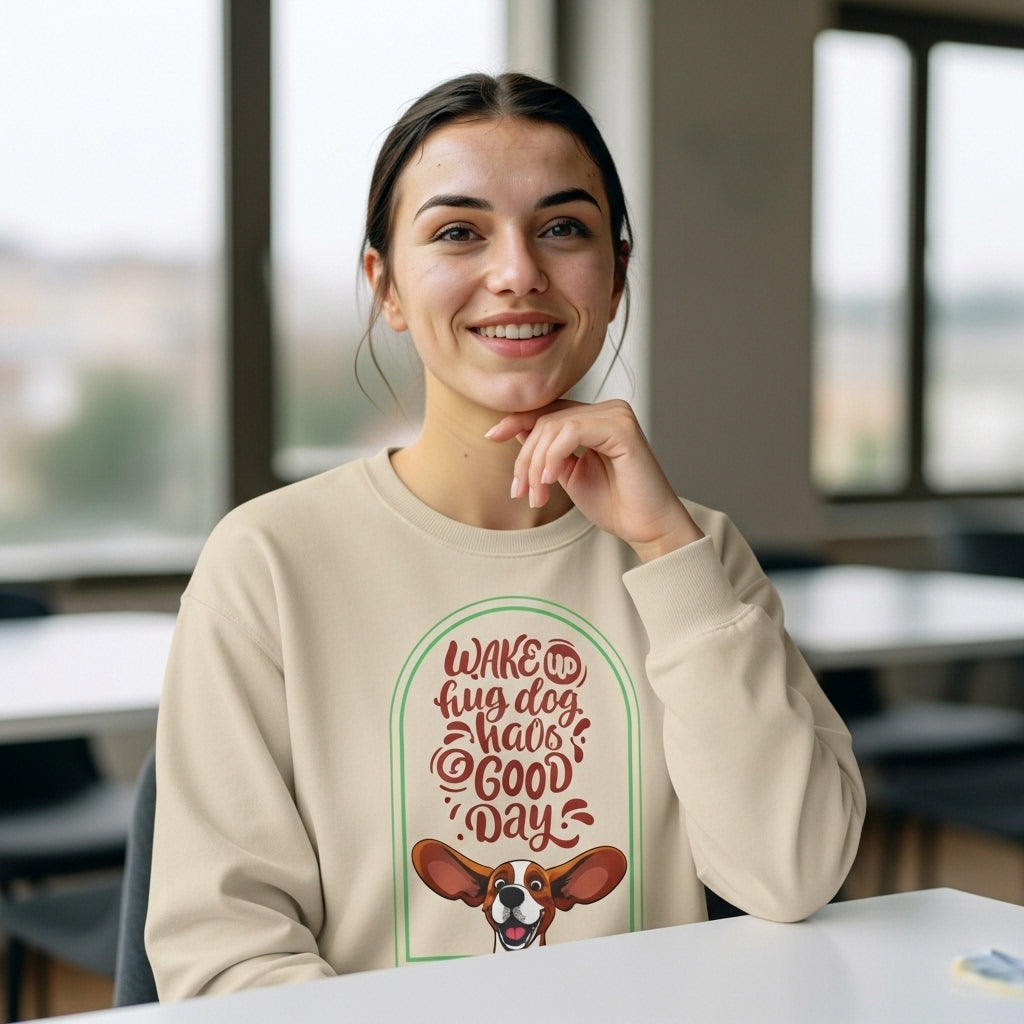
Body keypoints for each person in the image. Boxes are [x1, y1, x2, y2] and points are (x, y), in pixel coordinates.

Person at [146, 71, 865, 999]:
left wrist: (666, 551)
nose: (519, 270)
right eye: (458, 232)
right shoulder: (267, 562)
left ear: (616, 276)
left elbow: (794, 874)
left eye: (563, 228)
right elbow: (228, 955)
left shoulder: (701, 553)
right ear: (386, 286)